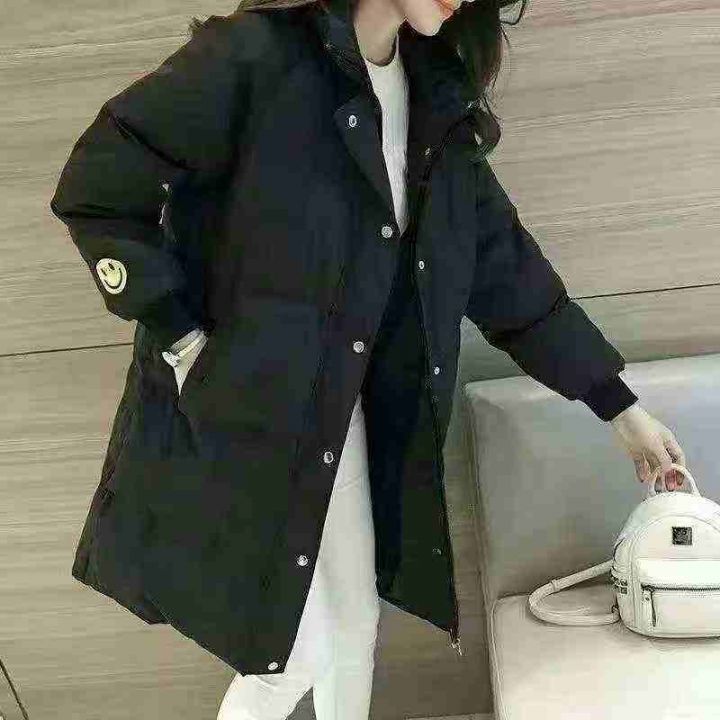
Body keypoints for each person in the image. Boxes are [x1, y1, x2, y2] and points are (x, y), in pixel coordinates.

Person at [50, 0, 687, 718]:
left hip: (344, 419)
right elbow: (98, 187)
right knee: (288, 656)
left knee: (353, 629)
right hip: (242, 420)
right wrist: (182, 337)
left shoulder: (432, 98)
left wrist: (619, 408)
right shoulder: (255, 57)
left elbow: (507, 273)